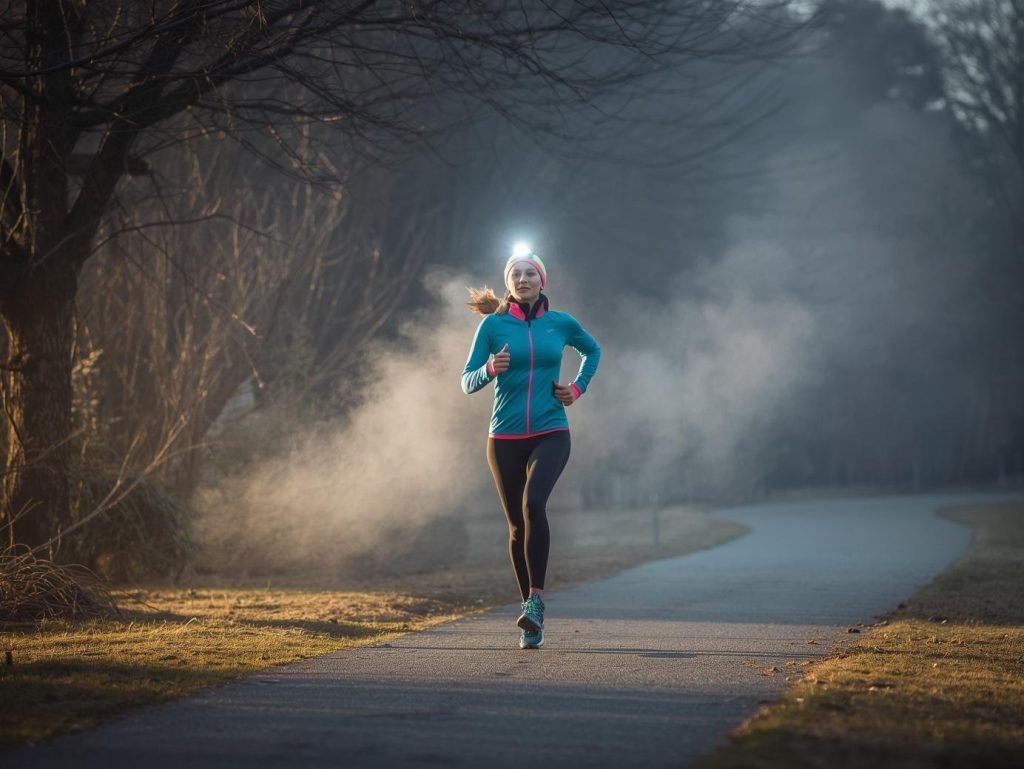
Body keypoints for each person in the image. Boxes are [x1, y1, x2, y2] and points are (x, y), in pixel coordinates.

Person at [461, 248, 601, 649]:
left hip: (551, 431)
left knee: (533, 503)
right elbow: (466, 381)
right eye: (515, 275)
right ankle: (531, 615)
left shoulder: (561, 323)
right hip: (502, 438)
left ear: (543, 281)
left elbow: (593, 351)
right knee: (516, 525)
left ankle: (536, 601)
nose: (522, 280)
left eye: (530, 274)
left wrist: (576, 388)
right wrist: (489, 369)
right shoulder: (492, 326)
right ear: (508, 283)